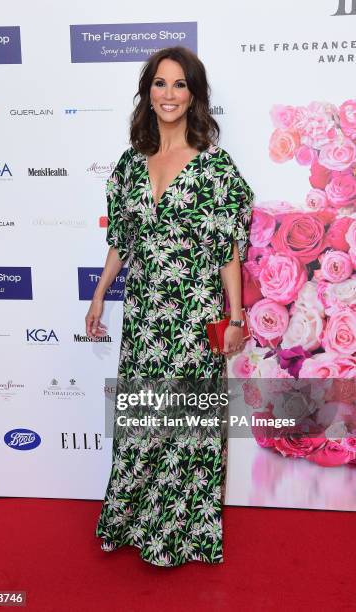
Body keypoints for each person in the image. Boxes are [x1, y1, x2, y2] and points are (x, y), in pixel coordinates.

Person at [85, 46, 254, 567]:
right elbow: (123, 239)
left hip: (191, 315)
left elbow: (228, 250)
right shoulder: (132, 163)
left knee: (187, 427)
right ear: (148, 93)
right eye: (160, 84)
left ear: (195, 95)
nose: (169, 94)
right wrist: (99, 294)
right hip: (144, 316)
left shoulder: (215, 166)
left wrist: (237, 316)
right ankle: (134, 520)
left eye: (180, 85)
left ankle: (181, 533)